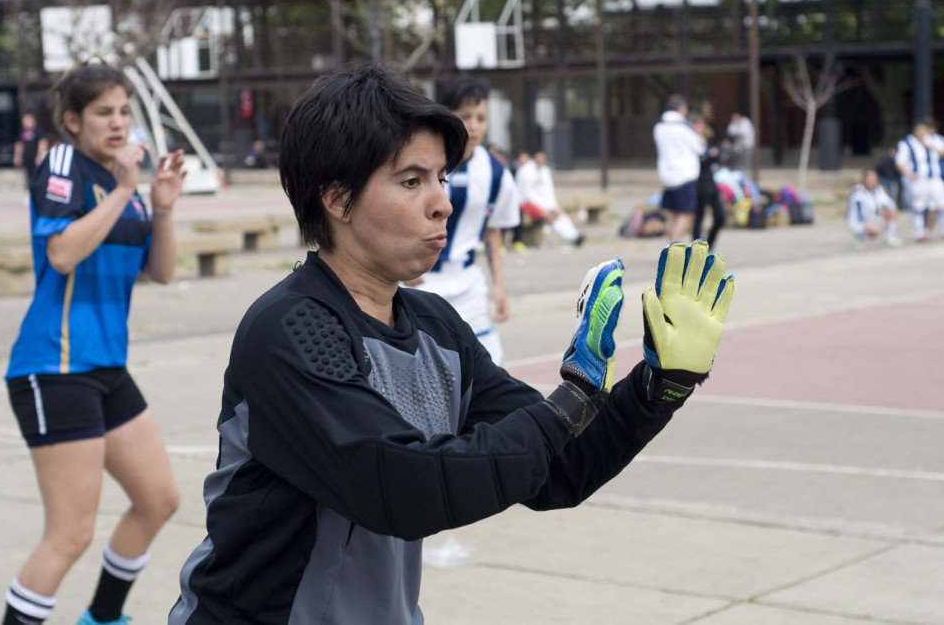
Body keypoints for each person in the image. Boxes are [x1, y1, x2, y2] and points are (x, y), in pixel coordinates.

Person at [168, 64, 735, 625]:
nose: (442, 202)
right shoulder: (288, 329)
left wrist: (659, 386)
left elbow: (559, 469)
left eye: (442, 178)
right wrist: (573, 397)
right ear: (337, 199)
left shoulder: (437, 326)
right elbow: (395, 485)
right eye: (412, 181)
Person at [1, 62, 185, 625]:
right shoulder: (63, 164)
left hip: (106, 367)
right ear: (72, 121)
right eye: (104, 112)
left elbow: (162, 271)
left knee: (158, 499)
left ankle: (103, 617)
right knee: (70, 533)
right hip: (53, 367)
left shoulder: (122, 186)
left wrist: (160, 205)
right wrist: (126, 187)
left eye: (125, 111)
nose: (118, 123)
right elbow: (60, 252)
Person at [402, 77, 519, 366]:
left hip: (468, 284)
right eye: (465, 116)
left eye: (481, 117)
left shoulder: (495, 172)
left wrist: (499, 286)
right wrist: (403, 266)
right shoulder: (420, 161)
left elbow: (492, 231)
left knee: (490, 369)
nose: (475, 125)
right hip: (421, 284)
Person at [653, 94, 704, 243]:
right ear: (681, 109)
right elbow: (699, 148)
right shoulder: (684, 128)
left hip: (667, 176)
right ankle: (673, 247)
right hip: (684, 175)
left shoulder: (659, 127)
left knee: (674, 214)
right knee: (687, 214)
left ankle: (669, 246)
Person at [514, 149, 585, 247]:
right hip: (526, 203)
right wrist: (546, 207)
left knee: (560, 214)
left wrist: (553, 207)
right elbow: (528, 194)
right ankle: (570, 237)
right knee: (549, 216)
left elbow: (549, 191)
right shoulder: (525, 171)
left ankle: (574, 235)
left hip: (544, 203)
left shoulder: (545, 171)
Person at [895, 118, 944, 242]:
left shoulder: (934, 140)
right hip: (918, 180)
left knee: (940, 205)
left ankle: (939, 231)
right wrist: (908, 173)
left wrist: (930, 146)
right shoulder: (906, 143)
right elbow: (900, 162)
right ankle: (919, 233)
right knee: (918, 206)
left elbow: (942, 152)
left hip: (934, 178)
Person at [689, 112, 726, 249]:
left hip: (710, 183)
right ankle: (696, 250)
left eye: (701, 124)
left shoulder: (706, 140)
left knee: (720, 216)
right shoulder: (691, 142)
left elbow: (718, 148)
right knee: (699, 218)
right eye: (696, 125)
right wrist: (708, 155)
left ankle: (709, 245)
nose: (699, 127)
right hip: (698, 184)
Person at [846, 168, 901, 248]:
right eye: (869, 178)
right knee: (875, 230)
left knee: (892, 213)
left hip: (873, 217)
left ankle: (889, 238)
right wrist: (877, 213)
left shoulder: (878, 190)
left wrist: (888, 211)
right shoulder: (858, 193)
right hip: (858, 221)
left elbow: (890, 204)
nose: (872, 180)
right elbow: (861, 215)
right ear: (864, 179)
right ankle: (859, 236)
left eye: (873, 178)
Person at [13, 112, 50, 187]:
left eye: (28, 120)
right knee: (29, 176)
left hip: (35, 158)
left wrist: (39, 156)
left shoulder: (38, 131)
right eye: (25, 120)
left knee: (37, 175)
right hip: (27, 158)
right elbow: (19, 145)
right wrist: (17, 156)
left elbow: (42, 143)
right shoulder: (22, 132)